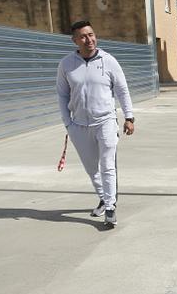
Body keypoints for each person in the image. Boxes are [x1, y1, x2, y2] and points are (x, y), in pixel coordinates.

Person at [57, 20, 135, 227]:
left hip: (106, 121)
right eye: (83, 36)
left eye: (91, 34)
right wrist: (68, 124)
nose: (89, 39)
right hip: (79, 125)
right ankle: (103, 197)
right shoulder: (66, 64)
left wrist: (129, 117)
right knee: (92, 168)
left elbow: (122, 90)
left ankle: (110, 207)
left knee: (107, 165)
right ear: (75, 40)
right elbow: (62, 95)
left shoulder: (109, 61)